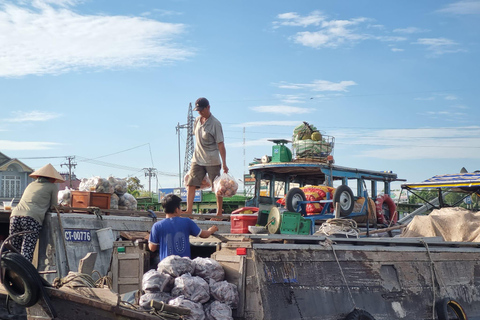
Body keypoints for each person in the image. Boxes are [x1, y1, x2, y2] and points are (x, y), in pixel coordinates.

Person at [9, 163, 64, 262]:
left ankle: (10, 275)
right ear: (51, 178)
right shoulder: (52, 187)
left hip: (15, 216)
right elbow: (53, 206)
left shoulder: (31, 184)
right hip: (31, 218)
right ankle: (24, 276)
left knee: (13, 251)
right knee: (26, 252)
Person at [185, 97, 228, 217]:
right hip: (197, 158)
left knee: (217, 187)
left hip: (212, 159)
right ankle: (188, 211)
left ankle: (219, 213)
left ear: (208, 108)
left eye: (202, 110)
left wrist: (224, 163)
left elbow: (221, 144)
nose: (200, 112)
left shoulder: (215, 123)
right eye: (198, 110)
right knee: (191, 183)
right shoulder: (197, 121)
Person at [149, 194, 218, 261]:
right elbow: (204, 235)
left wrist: (150, 238)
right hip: (184, 266)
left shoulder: (157, 226)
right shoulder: (187, 222)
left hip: (166, 267)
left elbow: (152, 248)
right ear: (176, 209)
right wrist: (211, 230)